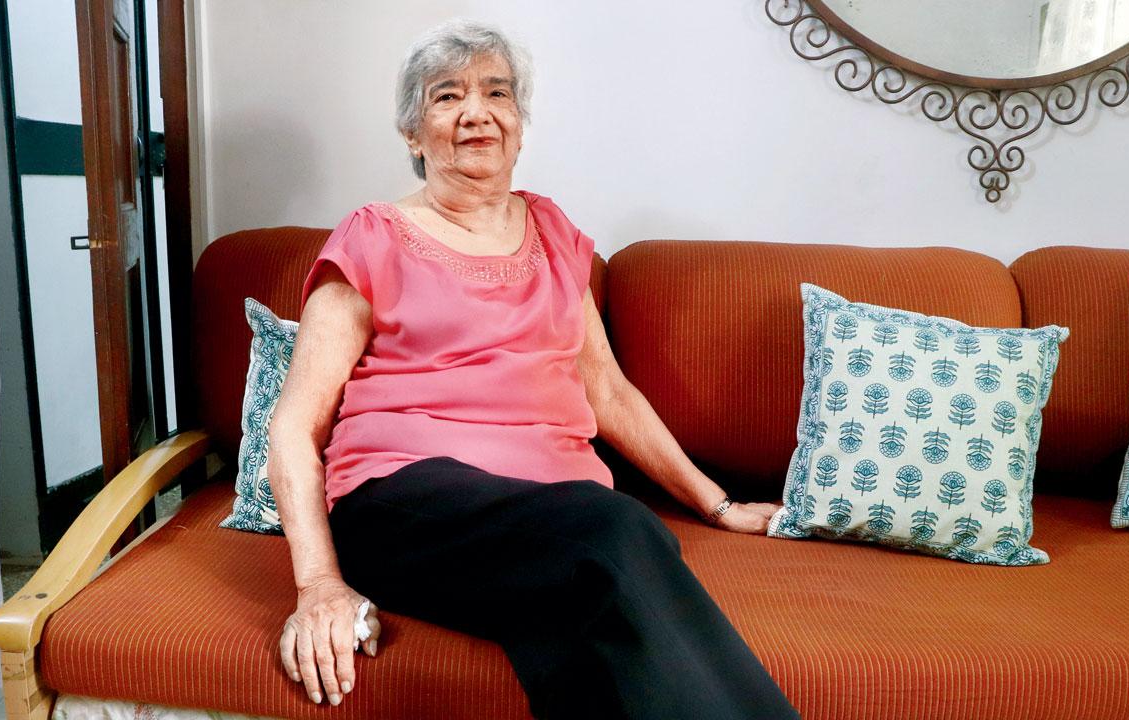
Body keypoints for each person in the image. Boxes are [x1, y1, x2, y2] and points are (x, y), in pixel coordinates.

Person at [267, 18, 801, 720]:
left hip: (555, 529)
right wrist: (318, 585)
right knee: (621, 533)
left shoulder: (552, 234)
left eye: (497, 92)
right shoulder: (371, 237)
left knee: (586, 611)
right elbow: (294, 428)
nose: (476, 112)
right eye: (447, 96)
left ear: (520, 123)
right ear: (411, 132)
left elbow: (607, 390)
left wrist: (718, 503)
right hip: (405, 503)